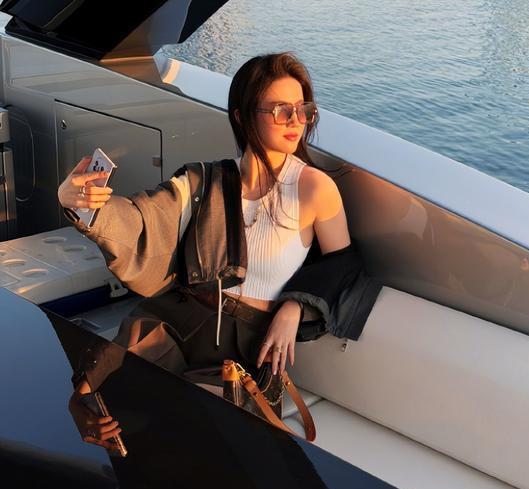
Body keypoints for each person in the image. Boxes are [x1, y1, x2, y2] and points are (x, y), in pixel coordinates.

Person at [59, 52, 380, 451]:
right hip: (178, 318)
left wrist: (295, 307)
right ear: (242, 116)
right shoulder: (203, 182)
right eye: (280, 110)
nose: (295, 121)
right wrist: (79, 205)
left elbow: (343, 267)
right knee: (91, 391)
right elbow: (142, 218)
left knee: (187, 428)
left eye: (303, 110)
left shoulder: (314, 188)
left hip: (245, 346)